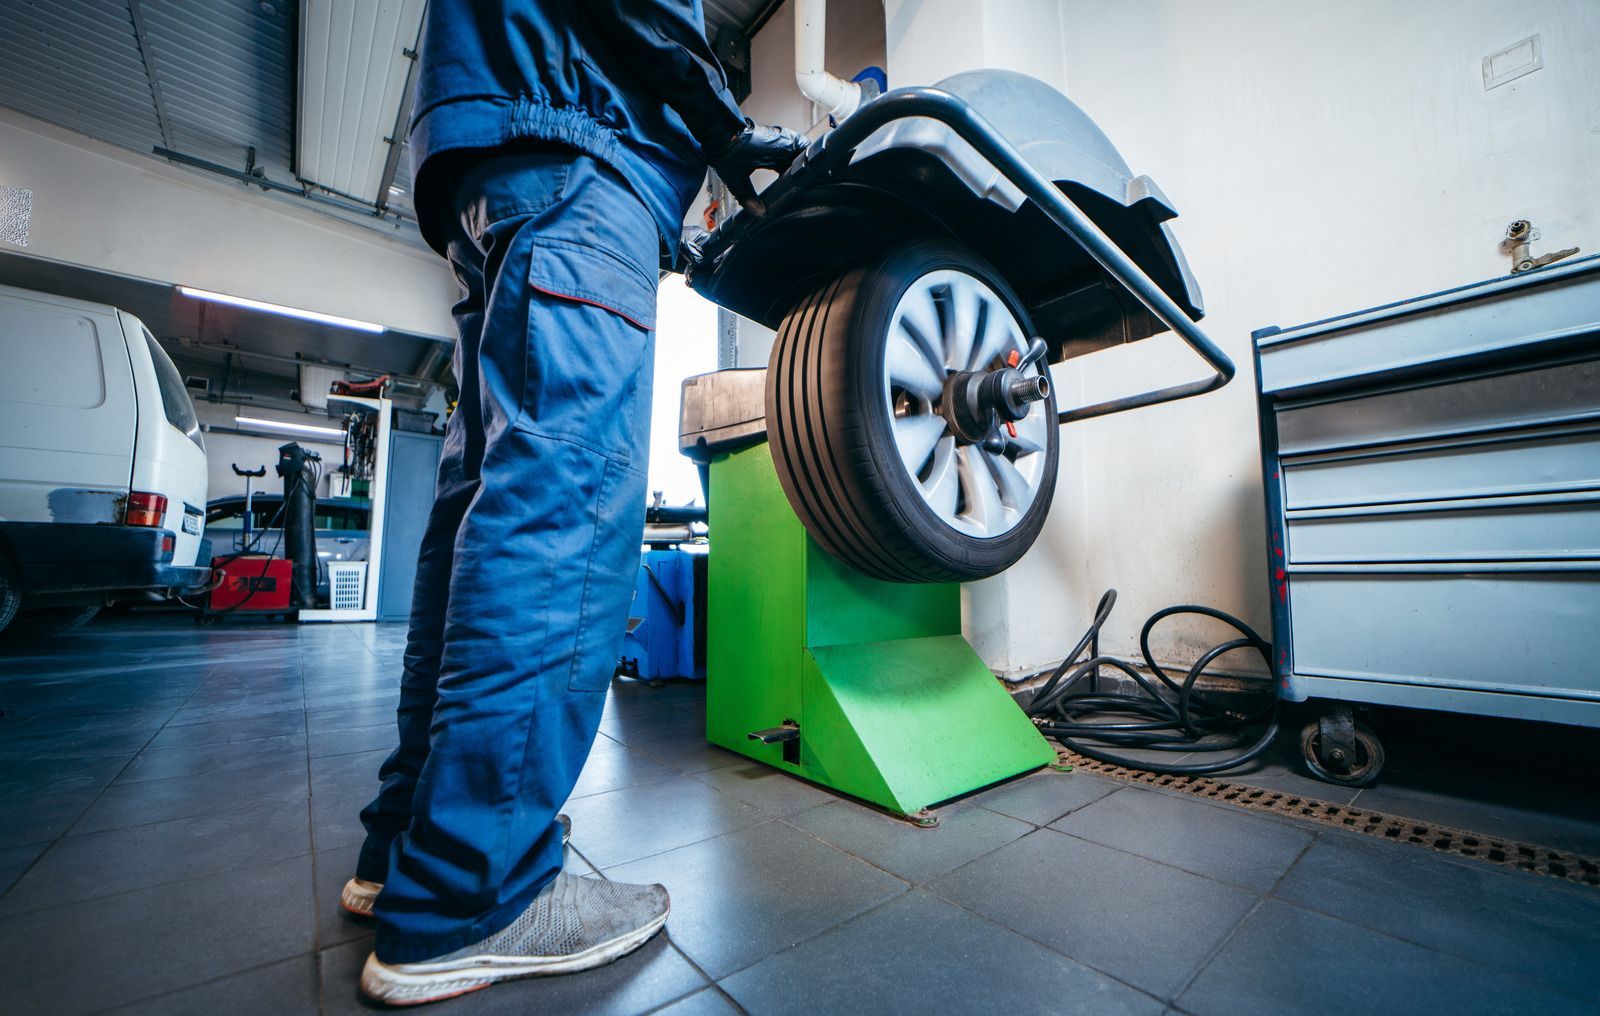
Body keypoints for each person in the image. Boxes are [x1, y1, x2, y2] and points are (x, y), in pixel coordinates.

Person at [341, 1, 806, 1005]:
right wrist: (725, 129)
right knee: (560, 510)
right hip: (575, 142)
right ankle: (474, 894)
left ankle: (402, 848)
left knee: (481, 507)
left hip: (500, 157)